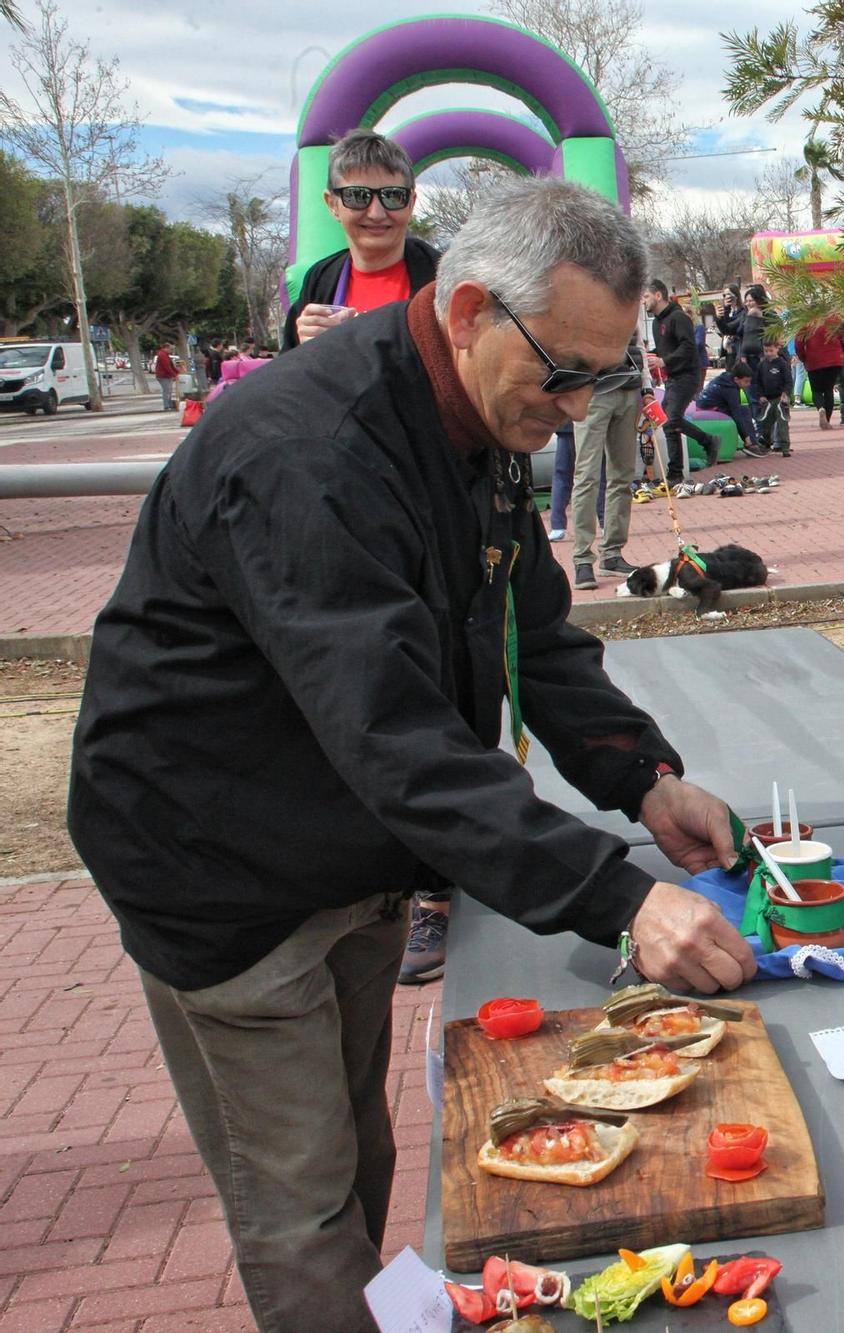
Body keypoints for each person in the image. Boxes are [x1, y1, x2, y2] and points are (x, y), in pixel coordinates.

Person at [68, 177, 757, 1329]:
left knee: (361, 1153)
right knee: (301, 1208)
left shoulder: (480, 411)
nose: (581, 404)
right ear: (472, 309)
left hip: (345, 846)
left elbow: (530, 627)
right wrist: (618, 898)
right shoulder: (307, 450)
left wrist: (642, 777)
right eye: (564, 373)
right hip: (219, 868)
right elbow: (391, 732)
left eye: (604, 375)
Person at [282, 130, 439, 350]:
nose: (376, 213)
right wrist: (305, 351)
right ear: (332, 204)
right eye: (357, 196)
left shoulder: (444, 280)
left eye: (392, 196)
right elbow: (287, 377)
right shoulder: (320, 281)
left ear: (411, 202)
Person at [570, 333, 646, 591]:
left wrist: (646, 390)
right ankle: (582, 558)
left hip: (628, 390)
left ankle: (612, 553)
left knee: (622, 476)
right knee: (586, 477)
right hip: (594, 391)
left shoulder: (631, 300)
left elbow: (639, 344)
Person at [644, 281, 715, 483]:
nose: (644, 301)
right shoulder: (657, 323)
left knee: (671, 419)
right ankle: (708, 441)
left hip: (687, 376)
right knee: (667, 420)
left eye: (646, 296)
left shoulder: (678, 318)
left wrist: (664, 360)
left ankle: (676, 472)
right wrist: (653, 357)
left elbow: (688, 348)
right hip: (672, 378)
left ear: (658, 295)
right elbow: (667, 348)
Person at [697, 360, 761, 456]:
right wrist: (746, 437)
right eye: (746, 381)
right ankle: (751, 444)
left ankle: (753, 441)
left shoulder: (726, 378)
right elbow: (737, 414)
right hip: (709, 408)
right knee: (743, 411)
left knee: (743, 408)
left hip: (704, 403)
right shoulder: (730, 390)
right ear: (736, 379)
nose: (748, 385)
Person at [797, 316, 844, 429]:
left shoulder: (806, 321)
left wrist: (803, 358)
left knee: (816, 390)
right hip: (834, 359)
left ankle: (821, 408)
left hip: (814, 360)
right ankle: (828, 420)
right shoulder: (835, 319)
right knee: (828, 389)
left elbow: (799, 343)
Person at [753, 337, 794, 456]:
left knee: (782, 424)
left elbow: (788, 381)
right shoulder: (761, 365)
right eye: (766, 351)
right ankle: (766, 443)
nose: (768, 353)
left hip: (781, 399)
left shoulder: (782, 364)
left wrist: (785, 394)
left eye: (771, 351)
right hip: (767, 400)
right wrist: (760, 395)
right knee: (766, 424)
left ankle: (785, 448)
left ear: (777, 349)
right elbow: (758, 382)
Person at [152, 345, 178, 411]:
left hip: (165, 375)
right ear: (166, 348)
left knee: (168, 391)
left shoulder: (165, 354)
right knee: (167, 391)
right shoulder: (162, 355)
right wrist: (175, 375)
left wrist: (177, 372)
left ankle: (169, 404)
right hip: (163, 376)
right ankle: (167, 405)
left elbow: (171, 365)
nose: (171, 351)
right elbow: (167, 367)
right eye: (170, 349)